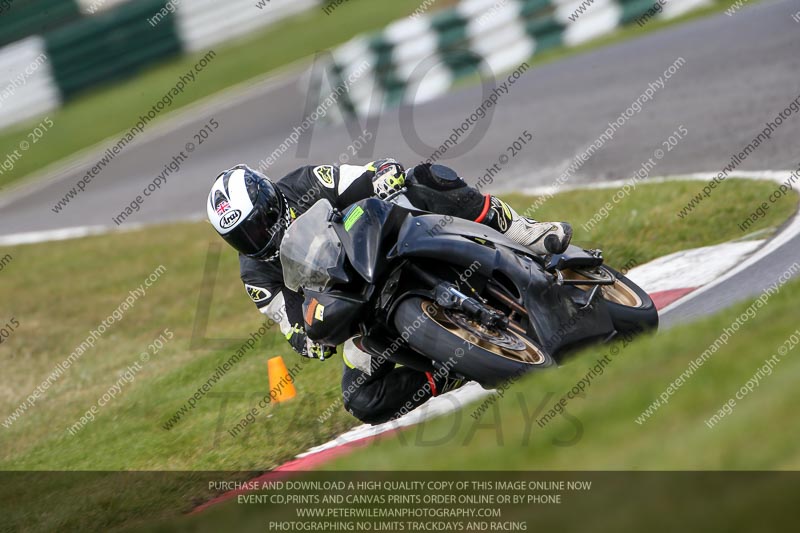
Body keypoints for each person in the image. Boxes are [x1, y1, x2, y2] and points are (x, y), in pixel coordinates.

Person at [206, 159, 572, 424]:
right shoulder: (256, 277)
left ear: (271, 201)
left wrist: (384, 175)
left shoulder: (306, 182)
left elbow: (368, 173)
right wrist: (310, 341)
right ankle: (450, 369)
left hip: (381, 245)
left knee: (427, 178)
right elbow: (292, 326)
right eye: (242, 237)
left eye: (258, 225)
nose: (256, 239)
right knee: (360, 399)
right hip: (357, 308)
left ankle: (527, 232)